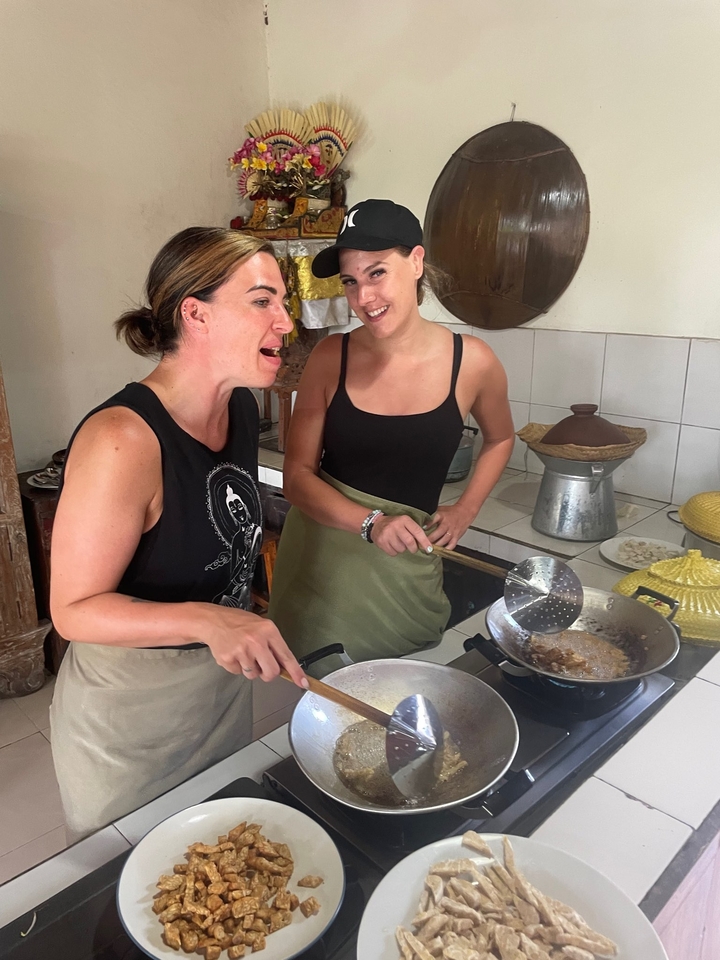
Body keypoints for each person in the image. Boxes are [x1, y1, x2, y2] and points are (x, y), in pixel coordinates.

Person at [49, 226, 307, 841]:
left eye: (283, 302)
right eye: (263, 300)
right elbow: (73, 611)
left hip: (217, 699)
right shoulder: (123, 439)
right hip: (129, 724)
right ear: (196, 314)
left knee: (220, 877)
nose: (286, 322)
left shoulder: (240, 408)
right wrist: (209, 620)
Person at [268, 200, 515, 673]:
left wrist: (466, 508)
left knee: (405, 697)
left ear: (416, 262)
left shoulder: (473, 362)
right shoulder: (330, 356)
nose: (363, 297)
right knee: (319, 710)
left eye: (377, 273)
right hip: (322, 570)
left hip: (405, 570)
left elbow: (500, 438)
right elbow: (297, 478)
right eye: (350, 281)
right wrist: (370, 523)